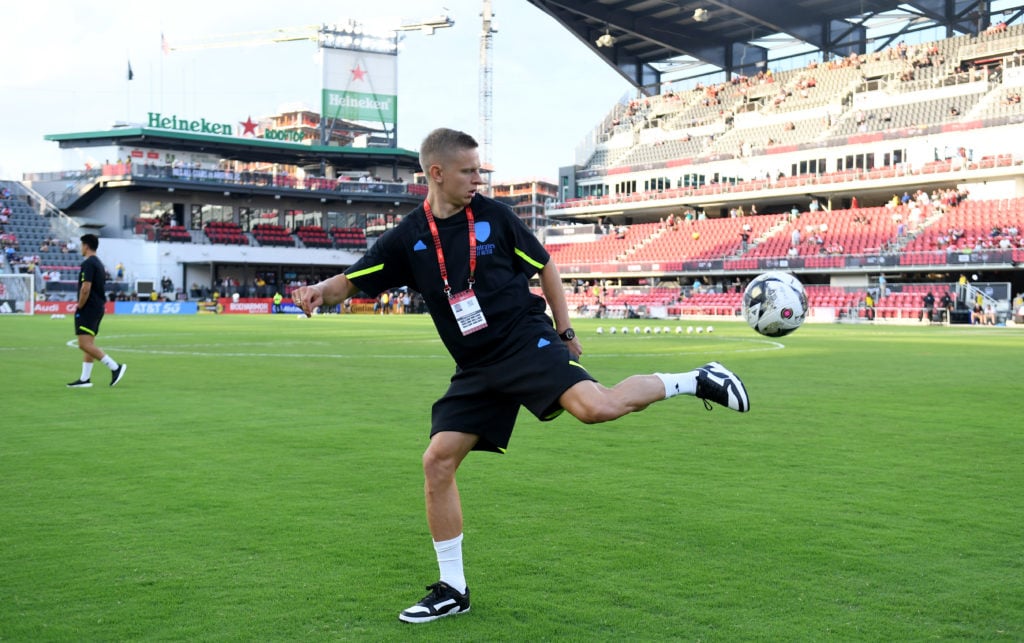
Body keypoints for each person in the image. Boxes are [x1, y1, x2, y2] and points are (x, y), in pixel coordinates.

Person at [290, 128, 749, 624]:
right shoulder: (408, 238)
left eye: (479, 169)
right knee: (437, 462)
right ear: (436, 173)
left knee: (596, 408)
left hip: (523, 339)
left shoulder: (495, 216)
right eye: (468, 170)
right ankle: (453, 588)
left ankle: (696, 379)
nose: (477, 178)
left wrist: (566, 329)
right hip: (477, 364)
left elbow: (546, 267)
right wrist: (317, 291)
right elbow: (352, 281)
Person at [67, 234, 127, 388]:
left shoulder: (88, 263)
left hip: (89, 308)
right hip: (98, 307)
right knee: (89, 344)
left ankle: (115, 367)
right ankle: (85, 379)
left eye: (81, 245)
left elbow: (86, 287)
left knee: (83, 344)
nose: (81, 248)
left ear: (86, 246)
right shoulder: (99, 263)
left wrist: (80, 305)